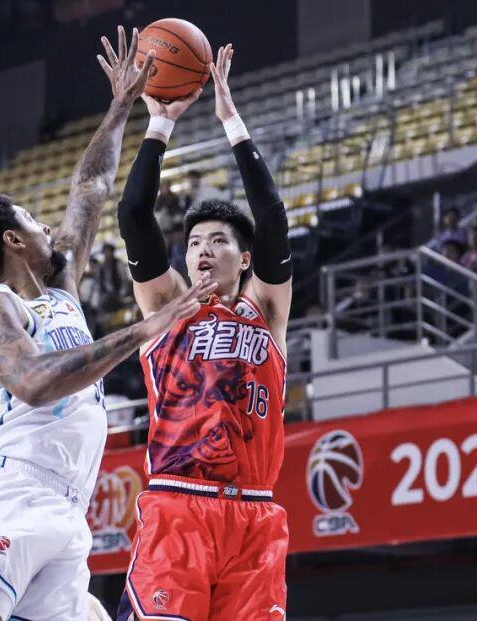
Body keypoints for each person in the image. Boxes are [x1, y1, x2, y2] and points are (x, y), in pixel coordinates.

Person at [0, 29, 213, 621]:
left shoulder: (60, 288)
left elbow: (90, 190)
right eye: (33, 221)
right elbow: (34, 382)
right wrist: (143, 330)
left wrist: (125, 108)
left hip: (68, 505)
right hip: (12, 491)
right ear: (14, 241)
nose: (47, 227)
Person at [113, 43, 291, 621]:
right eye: (193, 243)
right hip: (178, 505)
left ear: (245, 259)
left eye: (218, 241)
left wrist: (230, 120)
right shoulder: (166, 304)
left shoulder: (266, 309)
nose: (203, 250)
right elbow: (134, 215)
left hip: (254, 514)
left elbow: (273, 217)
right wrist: (160, 122)